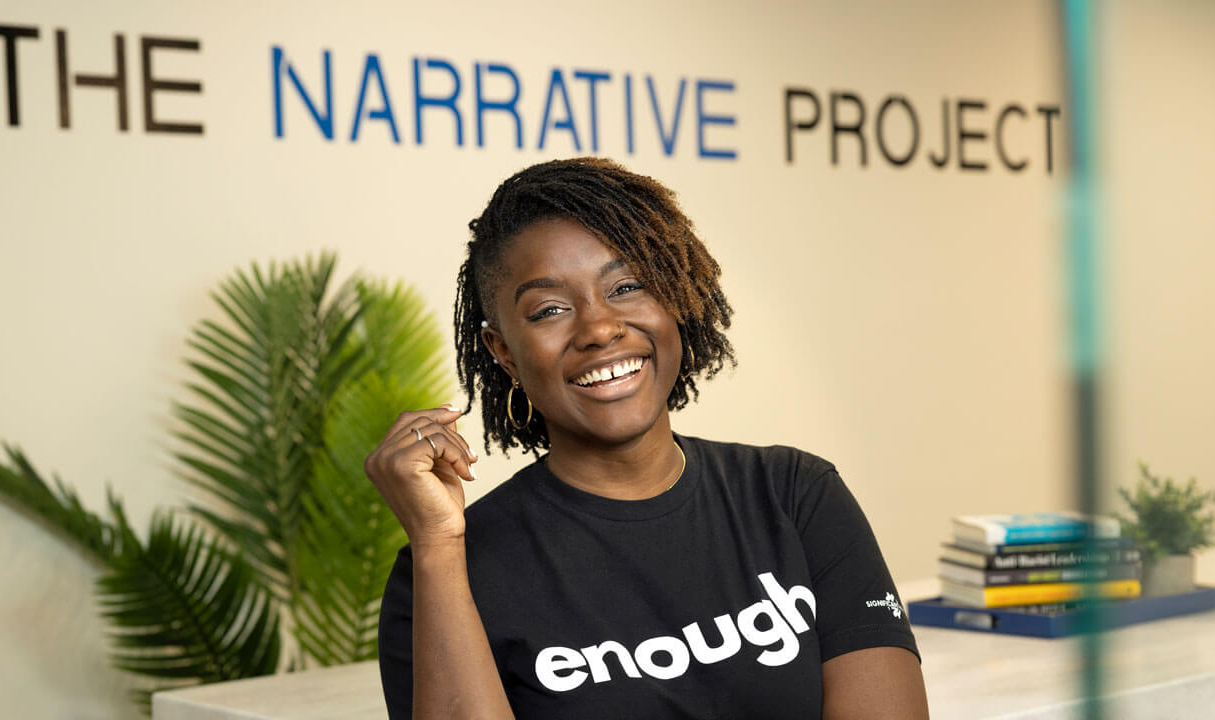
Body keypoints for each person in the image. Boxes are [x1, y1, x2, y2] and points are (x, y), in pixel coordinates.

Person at [367, 157, 929, 719]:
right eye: (550, 310)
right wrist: (439, 548)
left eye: (628, 286)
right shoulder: (444, 572)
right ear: (503, 351)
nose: (599, 328)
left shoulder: (796, 497)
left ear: (676, 297)